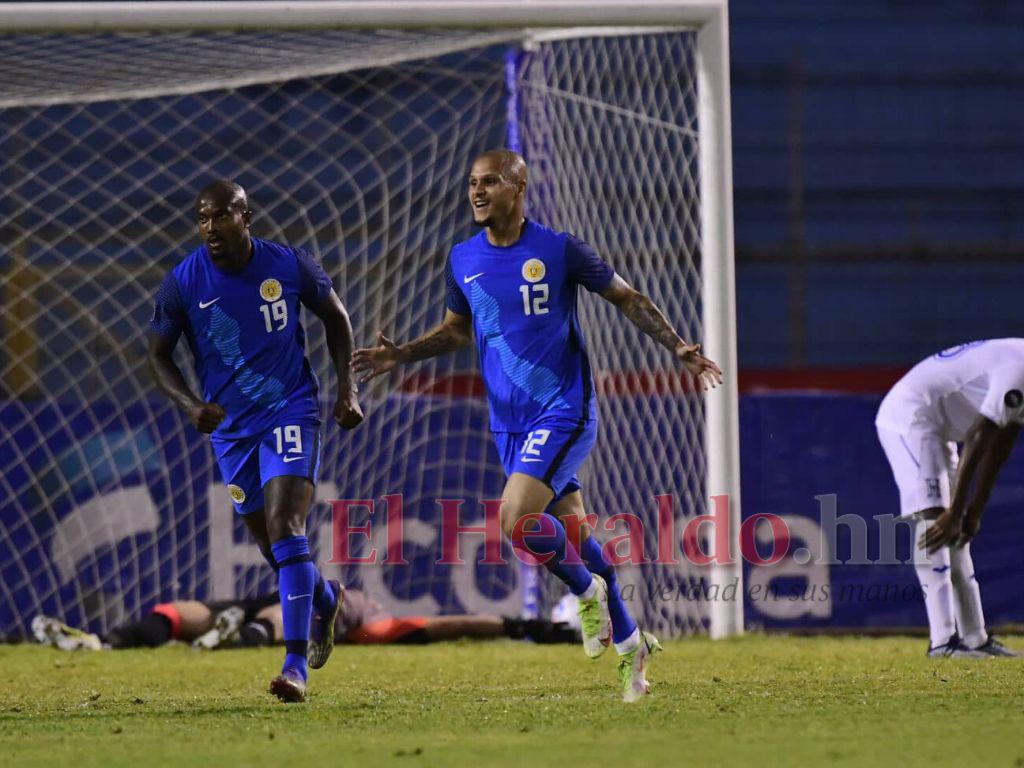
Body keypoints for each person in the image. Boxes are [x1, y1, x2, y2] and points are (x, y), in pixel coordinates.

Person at [352, 149, 722, 702]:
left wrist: (679, 348)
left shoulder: (558, 249)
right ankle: (631, 648)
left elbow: (628, 297)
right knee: (573, 535)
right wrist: (399, 355)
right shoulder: (463, 258)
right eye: (472, 182)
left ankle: (585, 591)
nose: (477, 192)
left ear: (519, 187)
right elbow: (456, 332)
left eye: (491, 182)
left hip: (563, 410)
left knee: (514, 518)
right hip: (509, 424)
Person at [147, 180, 363, 702]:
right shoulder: (181, 282)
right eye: (202, 218)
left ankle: (295, 667)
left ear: (247, 218)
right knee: (272, 546)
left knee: (287, 526)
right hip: (231, 430)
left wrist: (347, 389)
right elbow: (157, 355)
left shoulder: (290, 264)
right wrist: (192, 406)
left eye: (222, 216)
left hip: (290, 409)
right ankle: (326, 596)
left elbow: (336, 318)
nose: (210, 227)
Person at [875, 339, 1023, 658]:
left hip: (937, 425)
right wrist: (957, 509)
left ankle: (974, 639)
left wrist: (974, 509)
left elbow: (1003, 441)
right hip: (910, 416)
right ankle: (943, 642)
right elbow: (980, 435)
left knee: (957, 536)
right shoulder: (1019, 371)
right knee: (935, 518)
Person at [31, 587, 579, 650]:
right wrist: (521, 627)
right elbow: (453, 623)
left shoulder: (372, 627)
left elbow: (451, 624)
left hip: (286, 598)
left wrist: (525, 628)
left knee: (180, 613)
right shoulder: (375, 625)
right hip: (301, 598)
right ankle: (105, 643)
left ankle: (111, 642)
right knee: (272, 618)